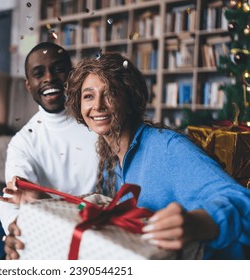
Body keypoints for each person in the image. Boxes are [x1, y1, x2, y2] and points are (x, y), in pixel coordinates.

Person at [64, 51, 250, 259]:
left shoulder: (168, 147)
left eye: (110, 93)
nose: (97, 105)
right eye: (88, 96)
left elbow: (243, 201)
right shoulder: (109, 156)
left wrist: (199, 223)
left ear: (130, 98)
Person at [0, 42, 99, 260]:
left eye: (58, 69)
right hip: (44, 224)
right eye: (38, 73)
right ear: (28, 85)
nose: (49, 78)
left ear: (72, 76)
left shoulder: (97, 120)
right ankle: (13, 246)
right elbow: (14, 194)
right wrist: (12, 227)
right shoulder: (23, 141)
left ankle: (13, 254)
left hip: (92, 223)